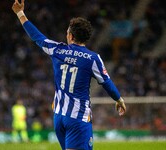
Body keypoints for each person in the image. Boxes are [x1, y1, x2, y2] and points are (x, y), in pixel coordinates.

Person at [12, 0, 126, 149]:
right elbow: (106, 83)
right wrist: (118, 99)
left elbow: (37, 37)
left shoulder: (57, 50)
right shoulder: (92, 58)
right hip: (78, 119)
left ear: (71, 36)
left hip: (59, 117)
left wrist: (20, 13)